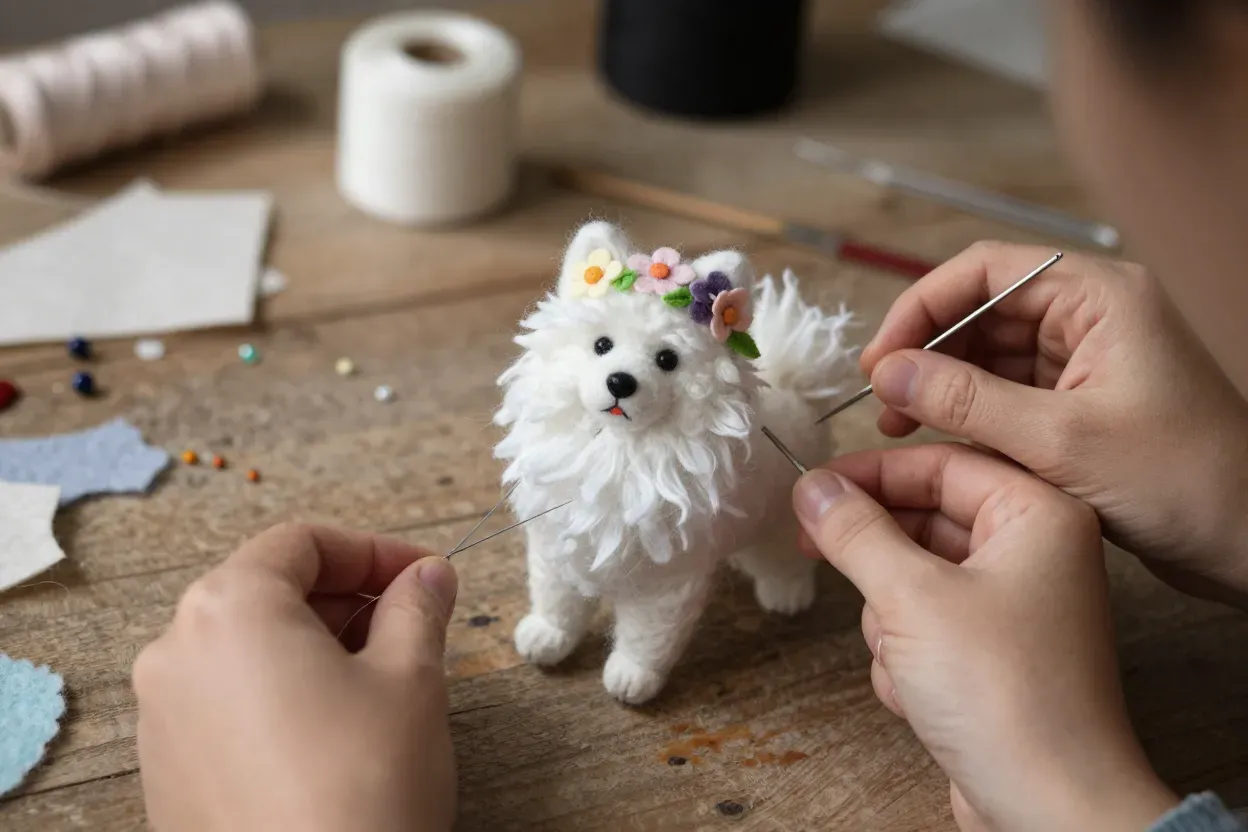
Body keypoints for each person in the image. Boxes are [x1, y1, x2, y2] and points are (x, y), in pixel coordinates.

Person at [132, 1, 1248, 830]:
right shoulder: (564, 409)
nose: (623, 374)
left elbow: (676, 574)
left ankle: (755, 574)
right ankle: (571, 618)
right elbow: (555, 528)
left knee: (748, 545)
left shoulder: (731, 434)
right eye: (607, 347)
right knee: (563, 554)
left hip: (764, 493)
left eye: (661, 356)